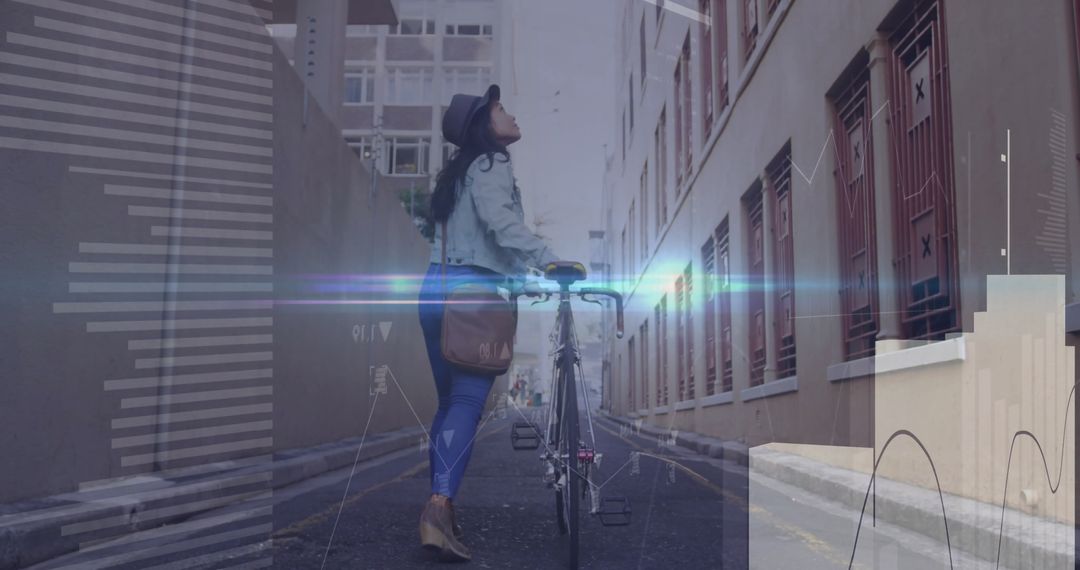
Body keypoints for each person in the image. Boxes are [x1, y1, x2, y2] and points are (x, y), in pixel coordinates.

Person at [416, 84, 560, 562]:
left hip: (435, 291)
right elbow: (500, 224)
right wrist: (550, 260)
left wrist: (523, 276)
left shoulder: (457, 176)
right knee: (466, 403)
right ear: (483, 125)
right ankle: (438, 508)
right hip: (473, 298)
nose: (510, 113)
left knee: (447, 405)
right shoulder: (492, 165)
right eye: (500, 109)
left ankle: (442, 507)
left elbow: (483, 239)